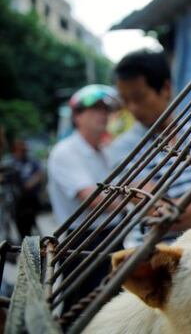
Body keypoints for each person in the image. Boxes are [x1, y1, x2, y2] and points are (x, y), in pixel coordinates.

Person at [106, 50, 191, 236]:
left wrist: (182, 212)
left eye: (139, 97)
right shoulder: (123, 149)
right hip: (156, 252)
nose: (132, 108)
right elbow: (160, 214)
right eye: (125, 100)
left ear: (166, 88)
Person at [47, 84, 122, 310]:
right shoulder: (66, 151)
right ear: (77, 116)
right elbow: (94, 199)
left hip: (112, 233)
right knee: (81, 309)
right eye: (95, 109)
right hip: (82, 240)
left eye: (105, 109)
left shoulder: (106, 151)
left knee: (113, 306)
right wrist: (137, 202)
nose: (103, 114)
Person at [9, 139, 43, 239]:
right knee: (22, 229)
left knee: (31, 225)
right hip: (17, 202)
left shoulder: (31, 161)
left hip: (31, 199)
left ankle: (33, 248)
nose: (24, 152)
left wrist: (30, 184)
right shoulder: (11, 163)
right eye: (21, 150)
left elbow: (39, 174)